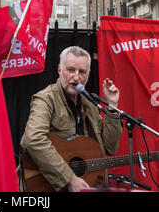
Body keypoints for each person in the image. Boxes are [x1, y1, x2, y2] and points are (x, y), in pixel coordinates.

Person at [20, 46, 123, 192]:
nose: (76, 77)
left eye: (82, 72)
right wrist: (69, 178)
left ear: (88, 74)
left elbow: (109, 147)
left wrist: (112, 105)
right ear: (59, 70)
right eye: (70, 70)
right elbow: (32, 139)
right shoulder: (46, 99)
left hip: (88, 184)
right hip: (47, 186)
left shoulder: (90, 104)